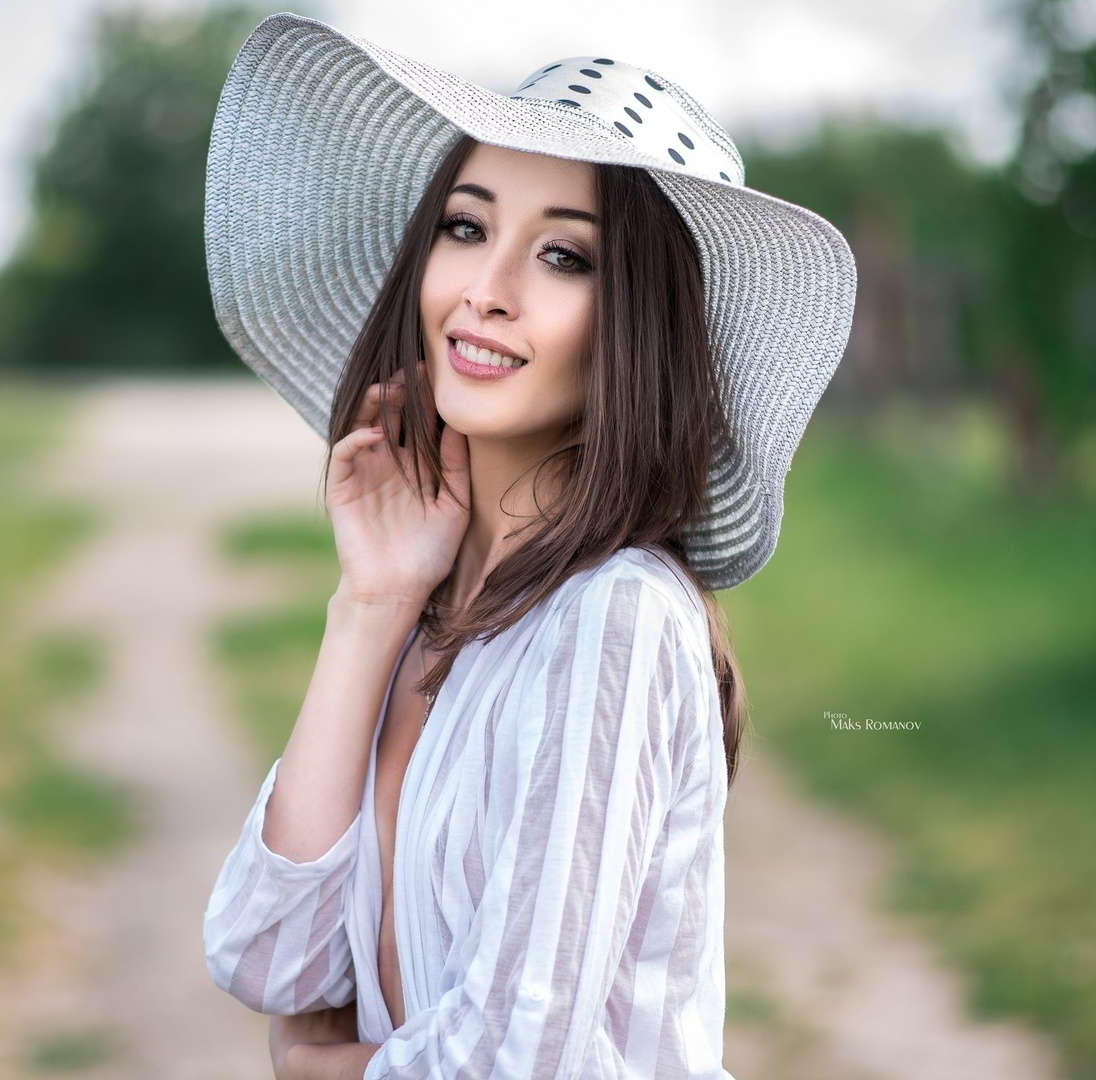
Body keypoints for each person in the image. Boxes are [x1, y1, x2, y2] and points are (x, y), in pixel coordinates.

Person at [201, 14, 856, 1079]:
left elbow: (516, 1063)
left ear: (635, 324)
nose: (485, 288)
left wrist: (329, 1072)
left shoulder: (616, 619)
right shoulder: (424, 613)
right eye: (466, 227)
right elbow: (265, 956)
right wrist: (369, 605)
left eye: (561, 254)